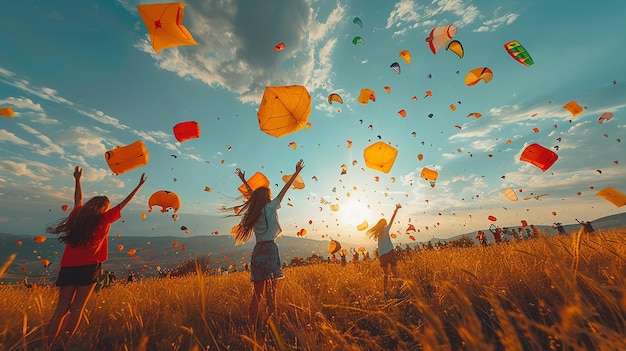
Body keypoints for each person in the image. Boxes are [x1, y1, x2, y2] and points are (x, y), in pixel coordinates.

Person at [45, 166, 146, 346]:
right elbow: (124, 203)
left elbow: (78, 199)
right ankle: (64, 345)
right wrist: (139, 186)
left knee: (61, 309)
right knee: (77, 308)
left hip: (68, 267)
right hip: (89, 268)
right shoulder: (105, 219)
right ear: (104, 208)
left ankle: (47, 344)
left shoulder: (76, 215)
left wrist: (77, 179)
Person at [234, 159, 304, 328]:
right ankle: (273, 326)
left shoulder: (256, 210)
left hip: (258, 250)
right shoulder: (271, 207)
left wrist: (243, 180)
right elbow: (285, 189)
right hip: (271, 250)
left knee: (257, 294)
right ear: (267, 196)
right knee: (272, 294)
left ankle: (251, 328)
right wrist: (296, 172)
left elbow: (252, 195)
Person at [366, 203, 402, 299]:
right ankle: (398, 292)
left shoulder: (378, 233)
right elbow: (392, 219)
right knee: (395, 273)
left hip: (382, 256)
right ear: (384, 224)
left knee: (386, 274)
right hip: (390, 253)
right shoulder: (386, 229)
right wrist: (396, 209)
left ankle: (385, 292)